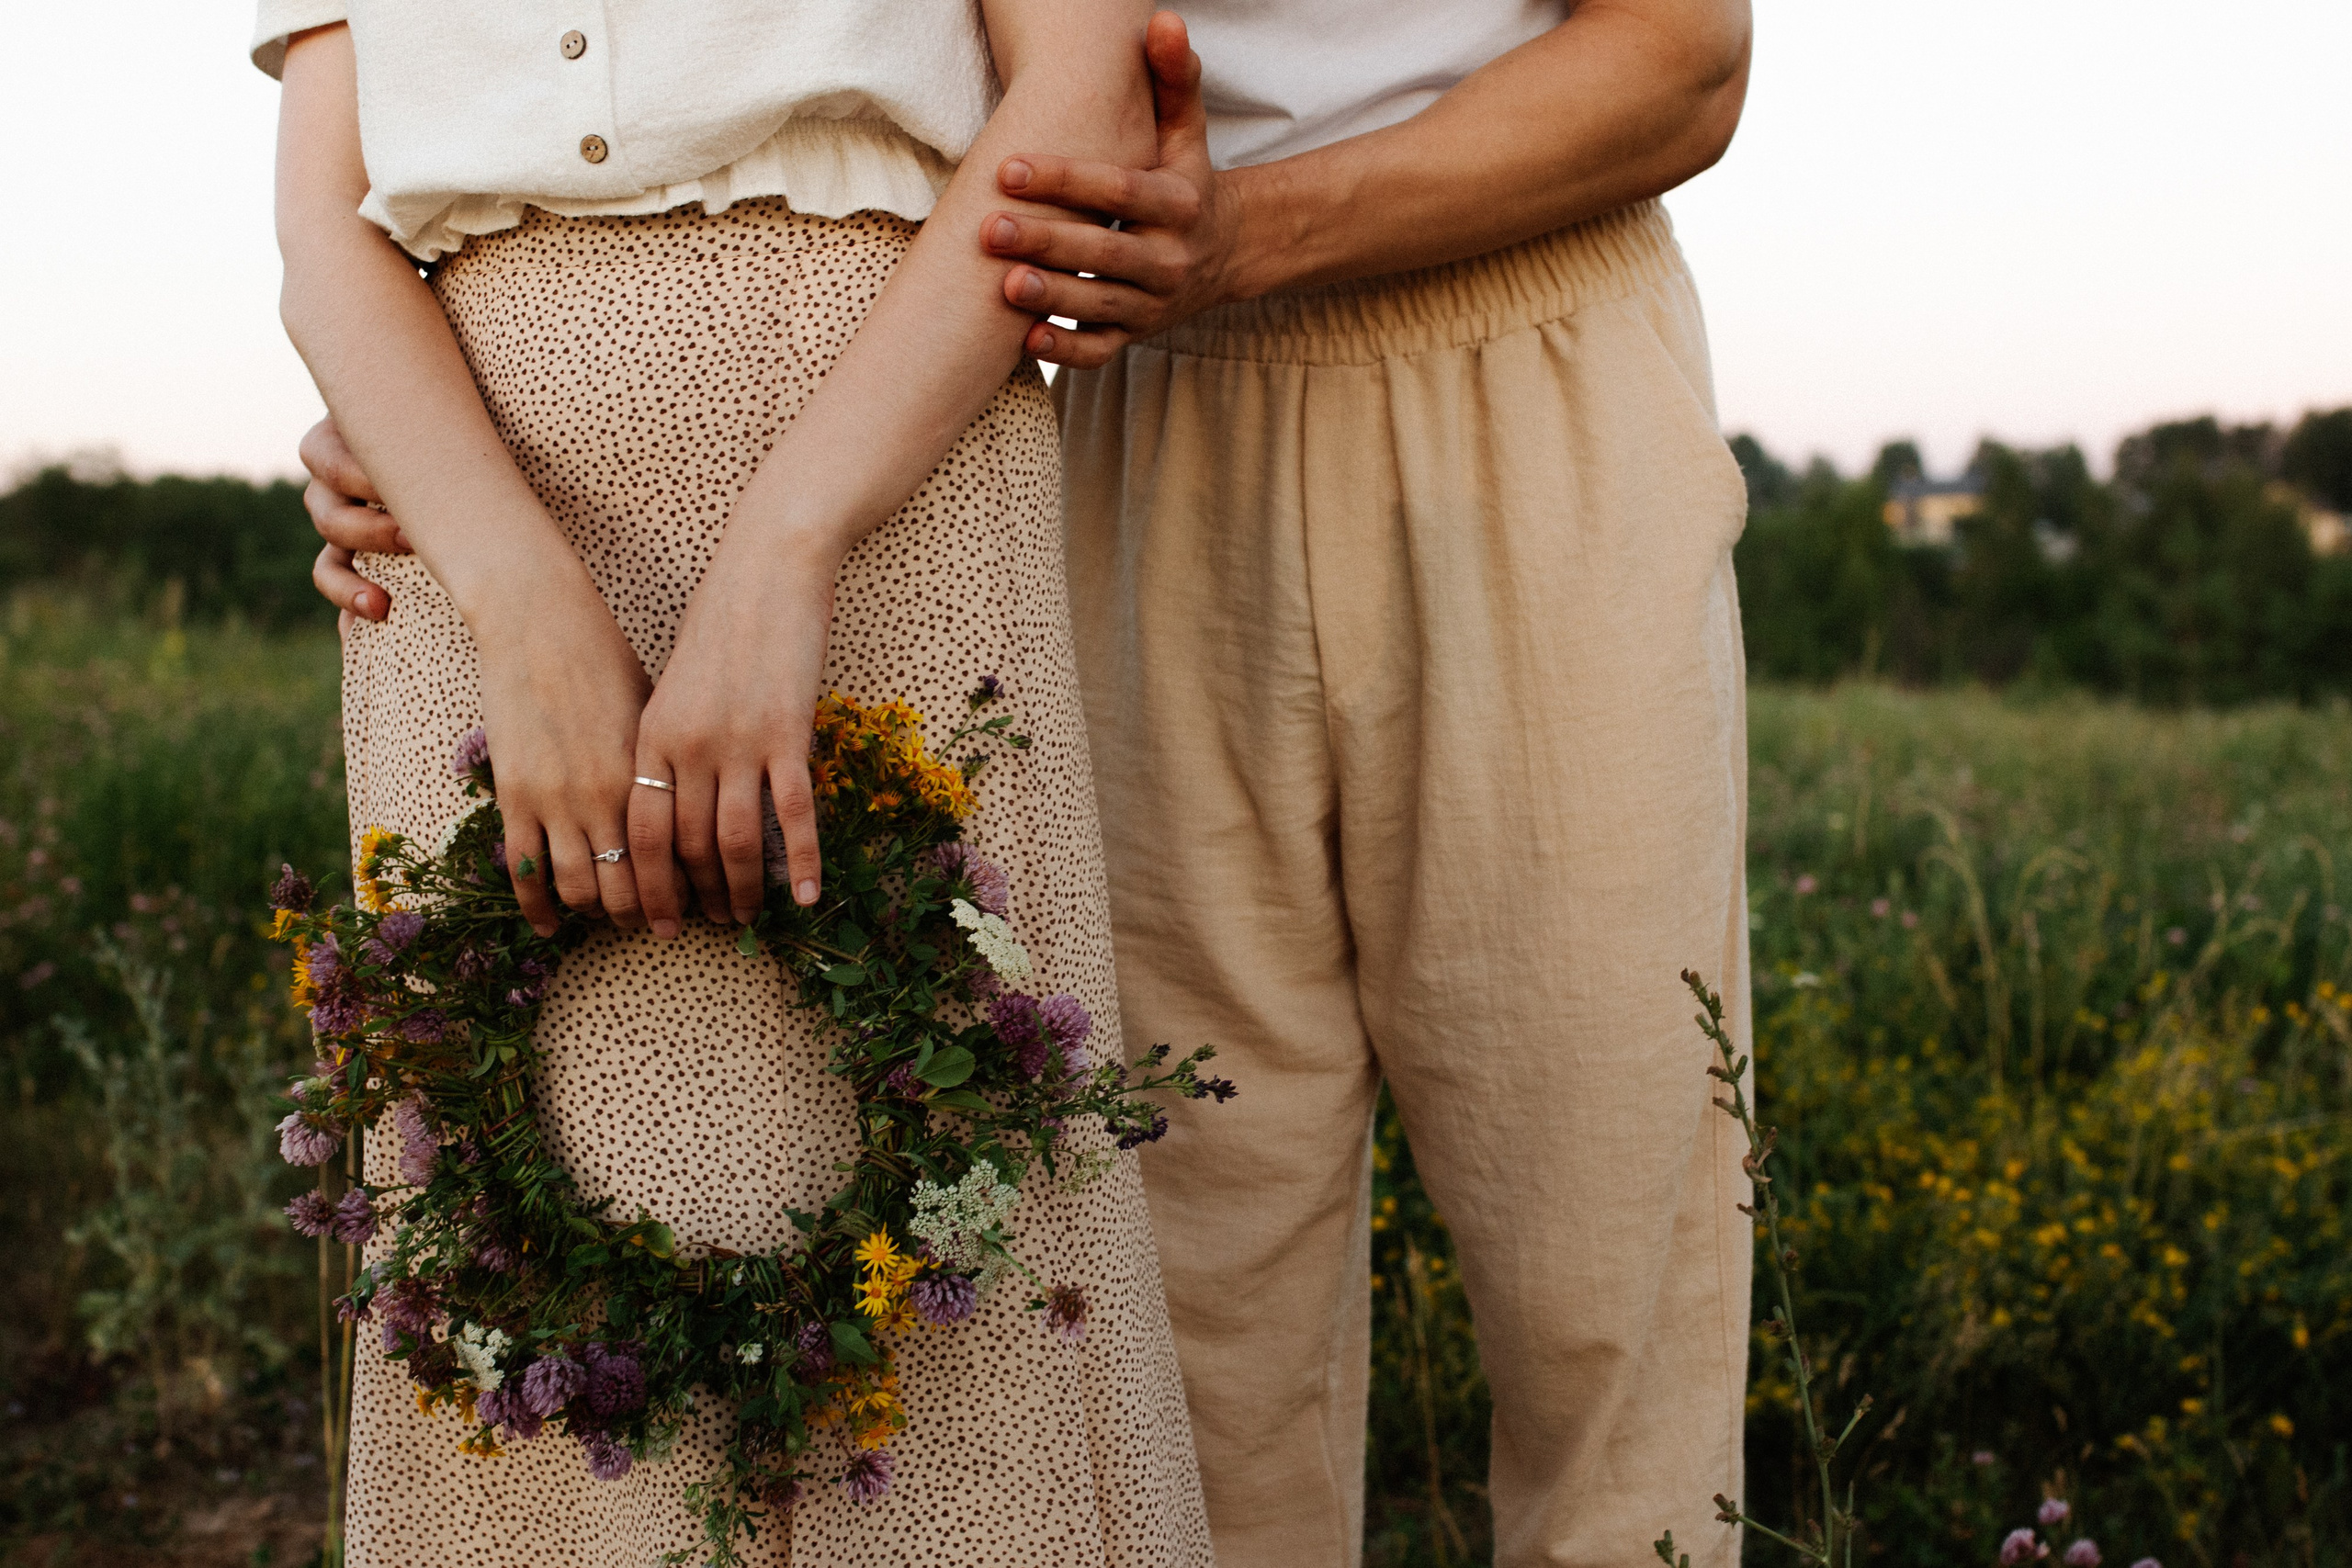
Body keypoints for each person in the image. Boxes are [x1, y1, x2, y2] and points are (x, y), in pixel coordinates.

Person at [301, 3, 1758, 1563]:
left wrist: (1238, 230)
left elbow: (1684, 59)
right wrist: (476, 394)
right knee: (1193, 1274)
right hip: (1118, 380)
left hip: (1506, 349)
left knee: (1605, 1233)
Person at [256, 2, 1214, 1562]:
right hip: (466, 475)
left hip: (891, 430)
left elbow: (1083, 88)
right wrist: (517, 596)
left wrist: (788, 548)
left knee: (954, 1221)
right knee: (512, 1234)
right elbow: (323, 217)